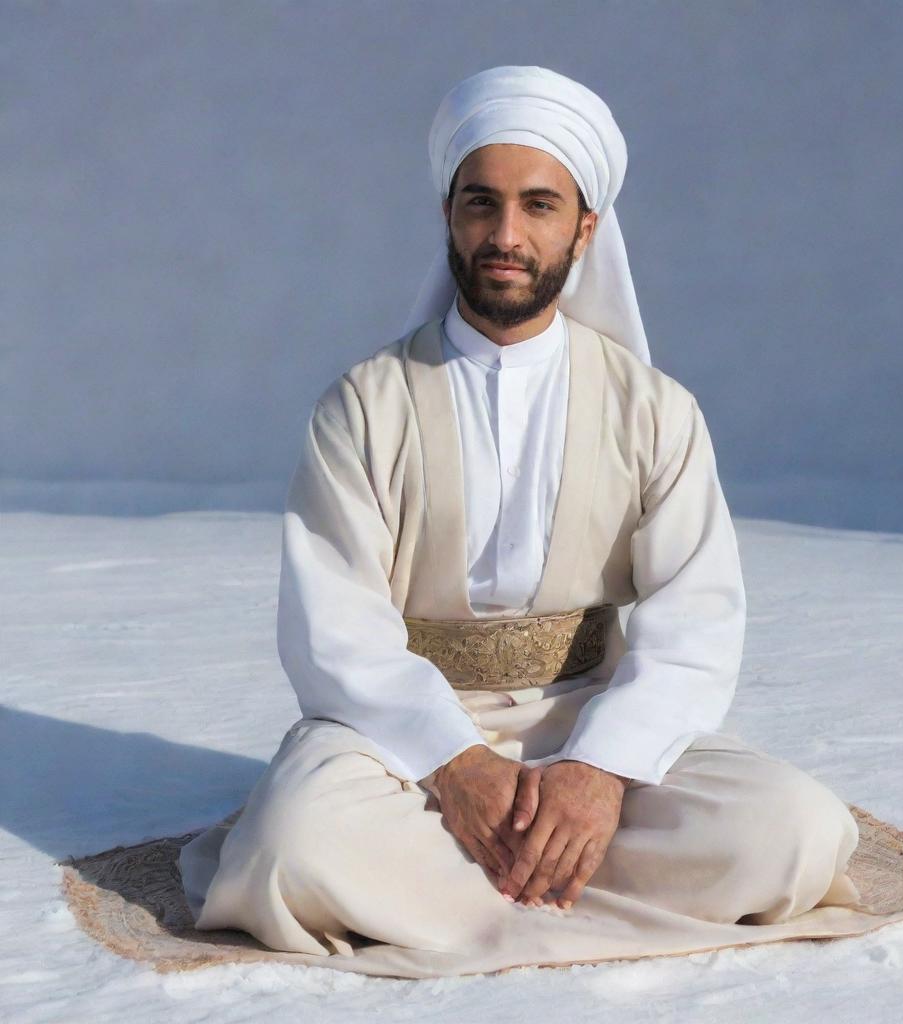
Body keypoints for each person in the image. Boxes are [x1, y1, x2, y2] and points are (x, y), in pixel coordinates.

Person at [177, 65, 862, 978]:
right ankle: (568, 882)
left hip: (590, 714)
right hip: (400, 741)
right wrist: (455, 766)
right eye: (480, 203)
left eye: (539, 206)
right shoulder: (366, 404)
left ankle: (469, 885)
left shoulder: (654, 409)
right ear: (449, 214)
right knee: (294, 847)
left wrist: (599, 773)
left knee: (796, 833)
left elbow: (697, 621)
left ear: (584, 228)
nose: (505, 236)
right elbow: (334, 627)